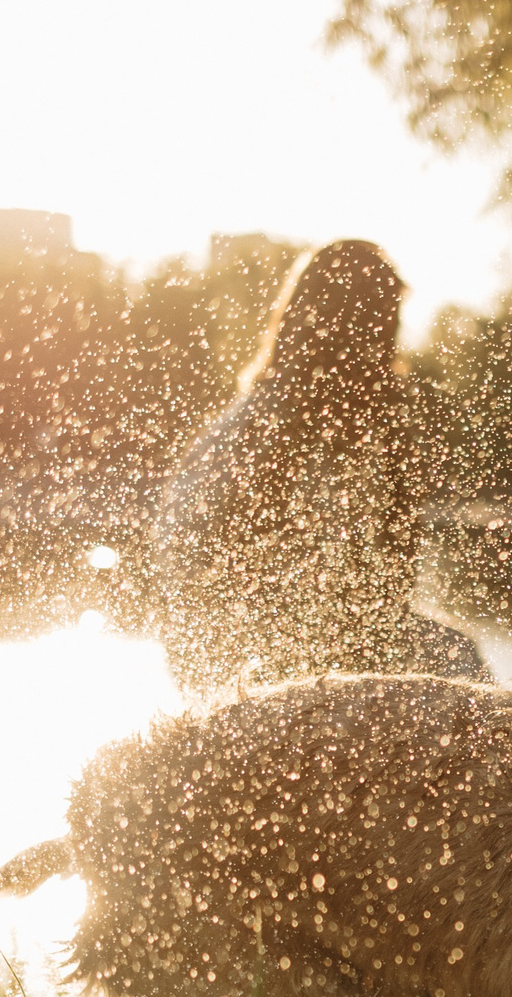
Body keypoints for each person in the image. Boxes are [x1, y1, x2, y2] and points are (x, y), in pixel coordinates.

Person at [141, 240, 486, 691]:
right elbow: (229, 573)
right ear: (345, 329)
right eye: (383, 326)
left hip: (274, 634)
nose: (388, 347)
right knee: (458, 661)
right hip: (242, 650)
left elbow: (391, 576)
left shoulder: (332, 424)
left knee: (455, 655)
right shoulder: (268, 427)